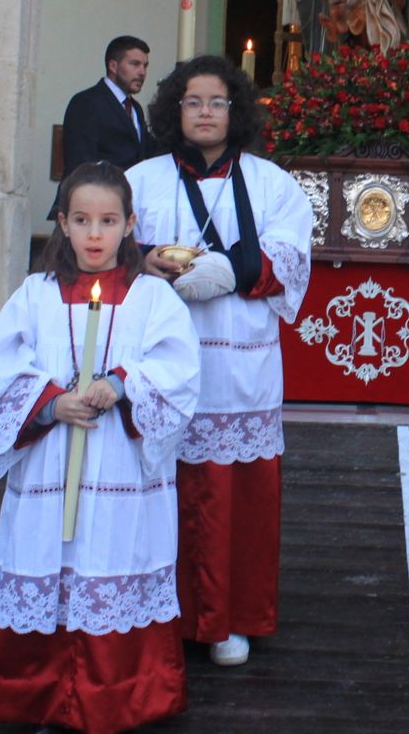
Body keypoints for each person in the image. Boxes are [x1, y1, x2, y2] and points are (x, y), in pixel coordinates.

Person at [0, 162, 200, 734]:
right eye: (81, 220)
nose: (94, 234)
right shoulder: (34, 295)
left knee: (109, 568)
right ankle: (47, 699)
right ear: (63, 224)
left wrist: (120, 385)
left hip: (120, 469)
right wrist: (49, 404)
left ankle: (116, 697)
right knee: (52, 568)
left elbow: (177, 369)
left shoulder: (153, 298)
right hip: (50, 470)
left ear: (129, 225)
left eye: (108, 220)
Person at [126, 55, 313, 668]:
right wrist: (144, 258)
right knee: (161, 489)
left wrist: (231, 269)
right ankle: (160, 616)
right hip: (159, 360)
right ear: (173, 111)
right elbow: (102, 239)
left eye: (216, 102)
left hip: (239, 367)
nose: (204, 113)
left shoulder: (270, 181)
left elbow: (291, 254)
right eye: (192, 102)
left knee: (237, 500)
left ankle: (230, 616)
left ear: (236, 112)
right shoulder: (142, 178)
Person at [59, 35, 157, 179]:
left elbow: (147, 151)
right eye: (135, 64)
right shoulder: (86, 102)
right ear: (113, 66)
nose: (142, 72)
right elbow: (80, 165)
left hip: (125, 198)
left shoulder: (135, 108)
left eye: (145, 65)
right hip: (93, 197)